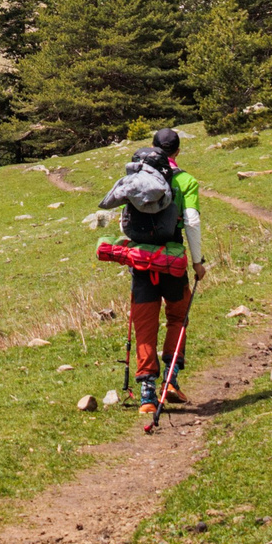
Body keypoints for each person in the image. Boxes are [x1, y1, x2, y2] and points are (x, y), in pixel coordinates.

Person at [111, 127, 204, 412]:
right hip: (172, 261)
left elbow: (124, 220)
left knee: (144, 323)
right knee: (178, 317)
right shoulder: (186, 180)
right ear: (177, 151)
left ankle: (147, 394)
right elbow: (191, 222)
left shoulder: (139, 177)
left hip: (142, 261)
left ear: (153, 148)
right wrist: (198, 262)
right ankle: (171, 381)